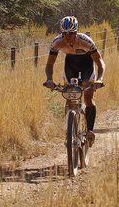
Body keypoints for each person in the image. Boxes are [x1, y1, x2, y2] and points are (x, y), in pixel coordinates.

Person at [43, 15, 105, 146]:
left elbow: (99, 62)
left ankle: (89, 131)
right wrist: (49, 79)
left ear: (76, 32)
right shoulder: (57, 42)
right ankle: (70, 130)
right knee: (69, 96)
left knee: (88, 96)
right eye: (64, 33)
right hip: (70, 65)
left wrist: (99, 79)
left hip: (87, 65)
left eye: (71, 33)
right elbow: (49, 64)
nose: (67, 36)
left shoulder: (86, 41)